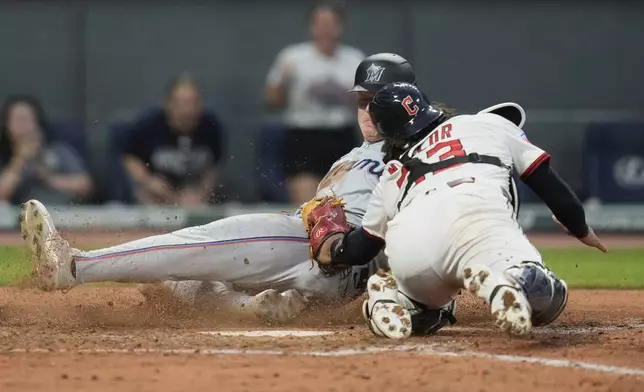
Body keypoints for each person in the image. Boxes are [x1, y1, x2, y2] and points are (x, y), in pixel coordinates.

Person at [20, 54, 456, 334]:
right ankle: (251, 308)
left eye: (378, 100)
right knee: (182, 282)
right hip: (314, 254)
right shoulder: (356, 152)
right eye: (362, 99)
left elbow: (438, 218)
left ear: (408, 102)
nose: (368, 109)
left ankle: (74, 266)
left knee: (195, 246)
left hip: (330, 253)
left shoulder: (421, 150)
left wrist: (433, 292)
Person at [306, 82, 607, 339]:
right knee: (547, 294)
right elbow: (551, 187)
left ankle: (392, 298)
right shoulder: (489, 124)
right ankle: (507, 280)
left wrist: (332, 247)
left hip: (412, 246)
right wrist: (580, 228)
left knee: (425, 306)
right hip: (478, 224)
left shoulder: (393, 171)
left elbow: (360, 249)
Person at [264, 2, 365, 204]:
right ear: (311, 27)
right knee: (308, 206)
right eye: (321, 24)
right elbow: (271, 101)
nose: (326, 30)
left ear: (340, 27)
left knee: (342, 204)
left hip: (341, 135)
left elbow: (369, 105)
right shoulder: (292, 58)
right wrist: (282, 83)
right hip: (304, 136)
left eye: (331, 24)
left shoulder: (355, 59)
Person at [122, 73, 224, 206]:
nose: (187, 110)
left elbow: (214, 167)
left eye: (193, 103)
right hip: (155, 193)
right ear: (168, 103)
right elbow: (129, 158)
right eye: (181, 103)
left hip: (194, 195)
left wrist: (201, 192)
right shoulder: (147, 126)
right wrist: (149, 181)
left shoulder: (211, 127)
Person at [0, 95, 93, 205]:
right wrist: (20, 159)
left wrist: (49, 179)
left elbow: (85, 185)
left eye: (27, 119)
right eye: (18, 119)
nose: (23, 125)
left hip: (62, 213)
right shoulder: (6, 159)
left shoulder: (58, 151)